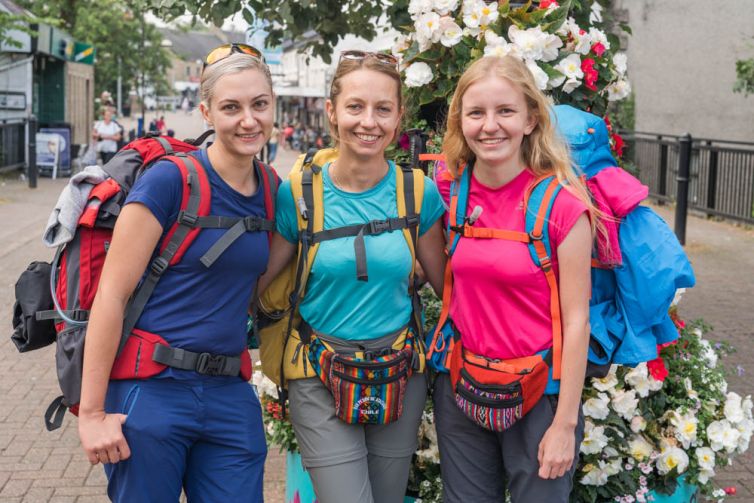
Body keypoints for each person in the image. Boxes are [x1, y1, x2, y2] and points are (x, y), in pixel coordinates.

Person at [77, 44, 275, 502]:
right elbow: (111, 295)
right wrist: (91, 414)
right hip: (151, 393)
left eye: (259, 104)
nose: (249, 120)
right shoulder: (169, 181)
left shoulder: (271, 189)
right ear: (206, 111)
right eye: (231, 107)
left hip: (229, 394)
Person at [258, 50, 446, 503]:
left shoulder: (416, 192)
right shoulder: (299, 194)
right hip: (317, 371)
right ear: (331, 111)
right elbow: (258, 283)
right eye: (356, 107)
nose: (369, 121)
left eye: (383, 109)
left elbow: (451, 290)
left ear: (399, 117)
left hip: (400, 373)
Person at [432, 56, 594, 502]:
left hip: (540, 395)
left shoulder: (563, 207)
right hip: (462, 387)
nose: (490, 126)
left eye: (505, 111)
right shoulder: (450, 192)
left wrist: (564, 424)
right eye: (476, 113)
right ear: (460, 121)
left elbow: (577, 320)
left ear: (530, 120)